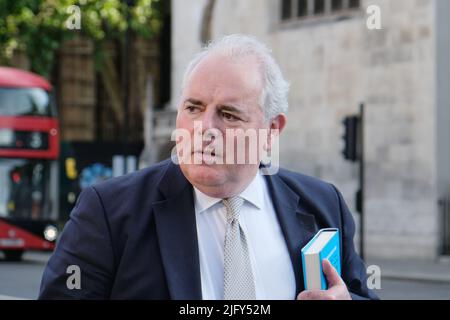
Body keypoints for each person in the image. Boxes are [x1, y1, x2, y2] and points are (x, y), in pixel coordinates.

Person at [39, 34, 378, 300]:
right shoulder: (109, 212)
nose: (204, 128)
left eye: (229, 114)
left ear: (271, 130)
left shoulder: (322, 205)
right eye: (193, 108)